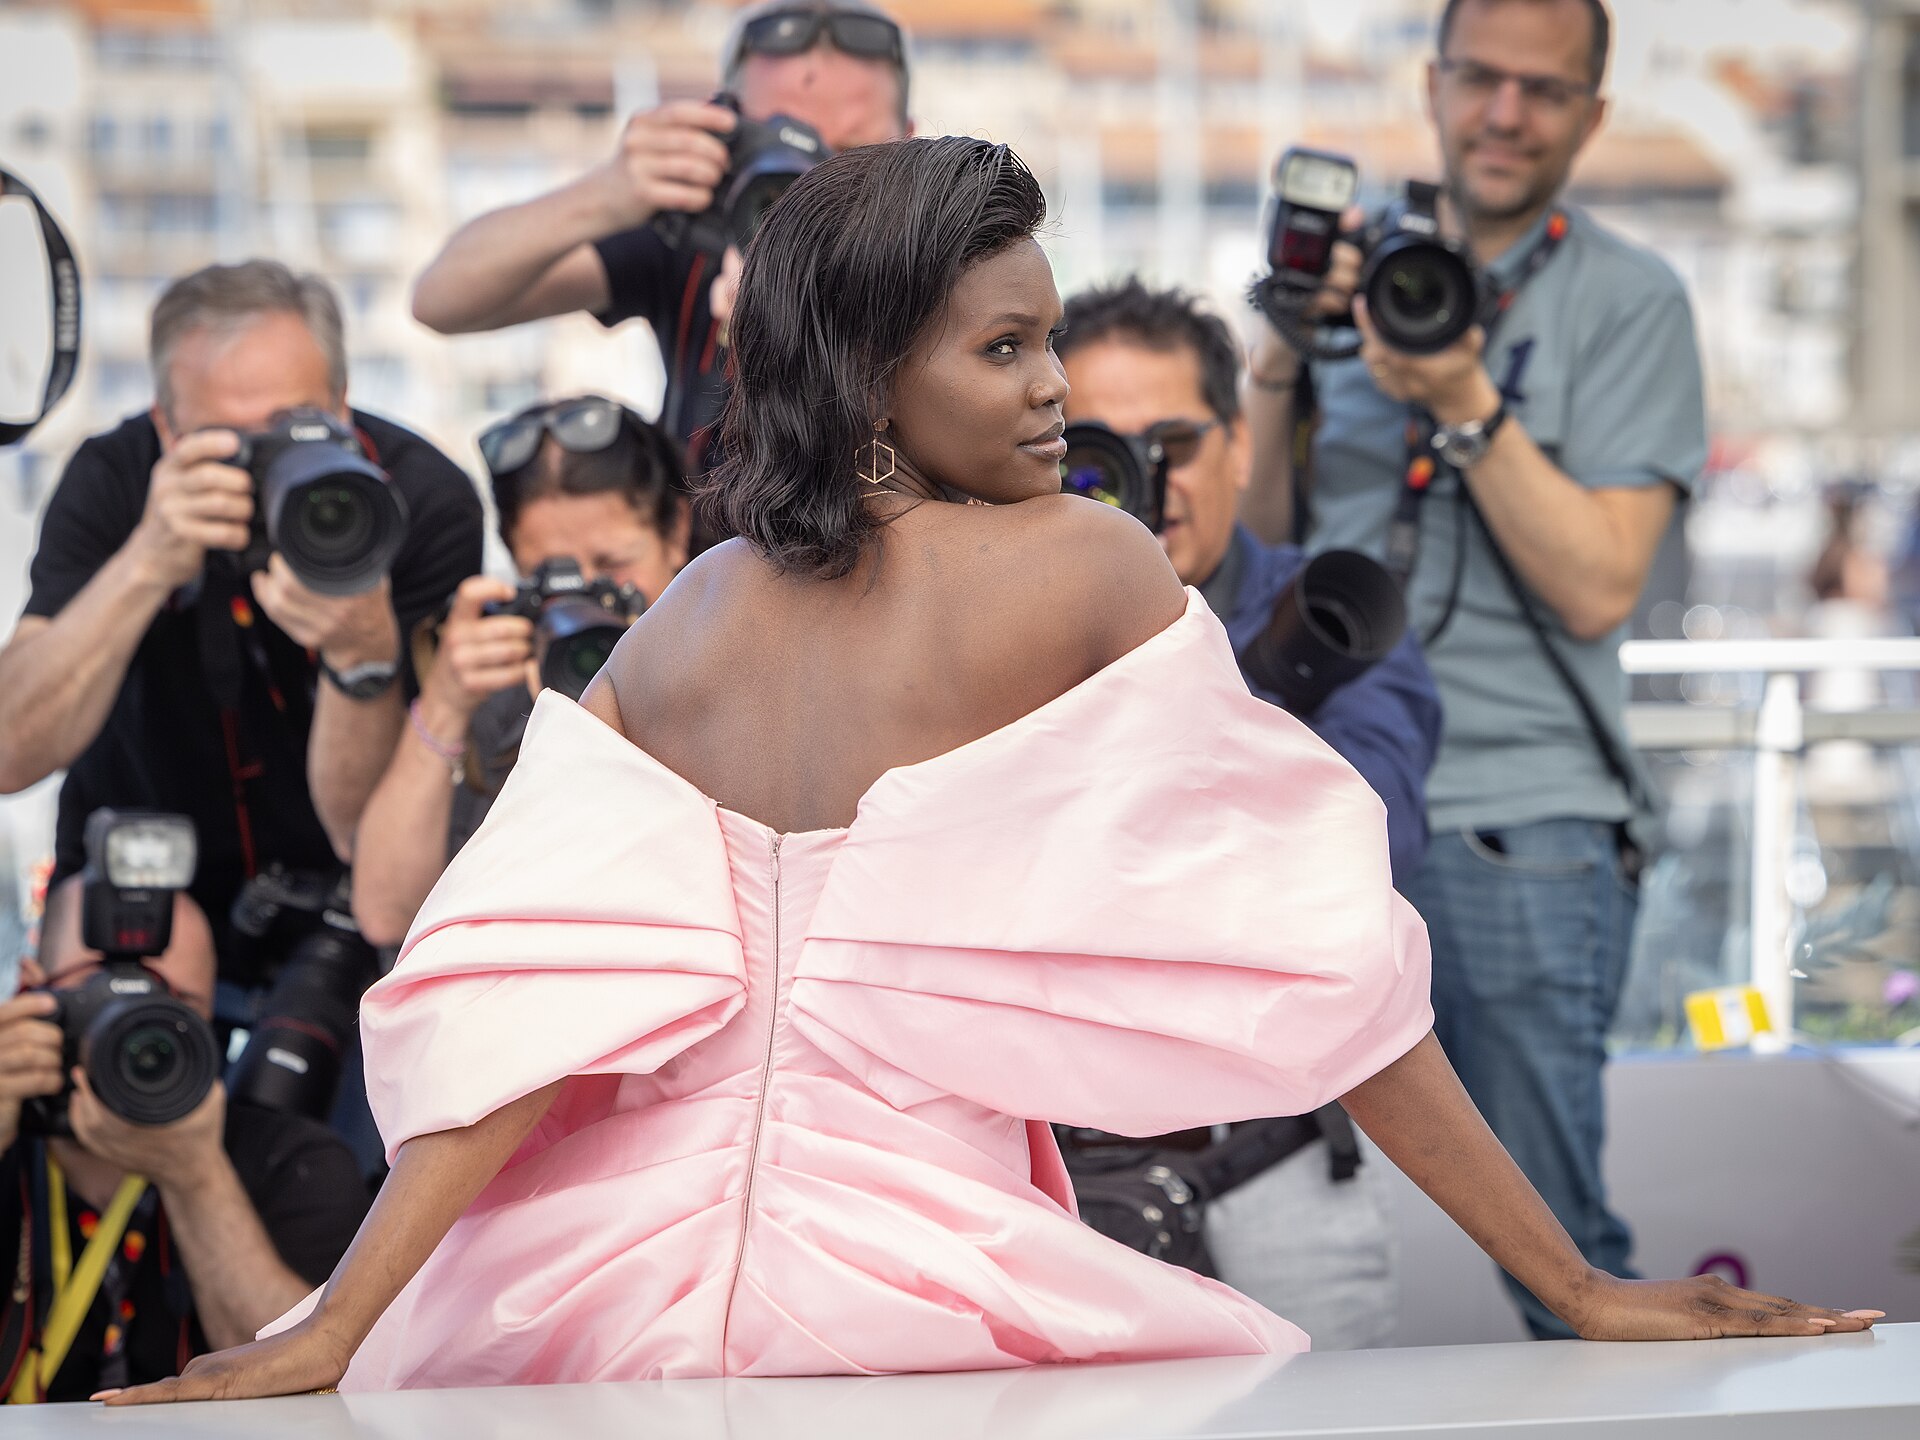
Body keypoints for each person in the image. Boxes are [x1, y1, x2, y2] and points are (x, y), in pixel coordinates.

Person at [98, 137, 1877, 1406]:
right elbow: (1330, 973)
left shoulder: (692, 613)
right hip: (925, 1312)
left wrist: (340, 1331)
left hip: (595, 1309)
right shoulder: (1089, 568)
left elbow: (518, 1025)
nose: (1052, 399)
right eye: (1005, 348)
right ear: (874, 372)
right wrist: (1565, 1277)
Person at [1241, 0, 1703, 1339]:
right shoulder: (1355, 267)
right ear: (1435, 84)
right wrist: (1283, 351)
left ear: (1591, 116)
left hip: (1521, 820)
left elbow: (1600, 582)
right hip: (1321, 804)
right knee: (1268, 1210)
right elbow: (1260, 540)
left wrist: (1460, 399)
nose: (1505, 113)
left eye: (1543, 92)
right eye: (1482, 80)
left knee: (1560, 1250)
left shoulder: (1631, 302)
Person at [1056, 278, 1441, 1349]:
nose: (1154, 480)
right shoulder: (995, 626)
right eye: (1105, 449)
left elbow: (1368, 847)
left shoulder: (1331, 614)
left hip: (1281, 1153)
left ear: (1237, 445)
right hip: (1049, 1173)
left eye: (1179, 439)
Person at [0, 261, 484, 980]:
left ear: (343, 405)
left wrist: (361, 657)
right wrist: (146, 562)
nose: (267, 467)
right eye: (228, 440)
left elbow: (374, 833)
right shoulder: (116, 480)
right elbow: (12, 753)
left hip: (349, 897)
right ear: (166, 426)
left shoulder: (412, 500)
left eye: (297, 426)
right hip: (138, 876)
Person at [410, 0, 912, 467]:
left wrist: (789, 341)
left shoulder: (938, 263)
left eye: (848, 155)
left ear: (909, 145)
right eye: (780, 148)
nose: (808, 181)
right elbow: (443, 300)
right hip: (696, 557)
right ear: (725, 127)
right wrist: (608, 193)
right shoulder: (695, 237)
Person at [0, 879, 369, 1403]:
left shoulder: (291, 1158)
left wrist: (196, 1176)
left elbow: (316, 1390)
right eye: (104, 994)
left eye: (172, 1007)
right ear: (31, 993)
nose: (134, 1030)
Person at [352, 396, 693, 947]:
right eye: (552, 576)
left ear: (676, 534)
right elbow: (385, 913)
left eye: (612, 567)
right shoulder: (497, 686)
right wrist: (444, 704)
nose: (590, 604)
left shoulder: (736, 667)